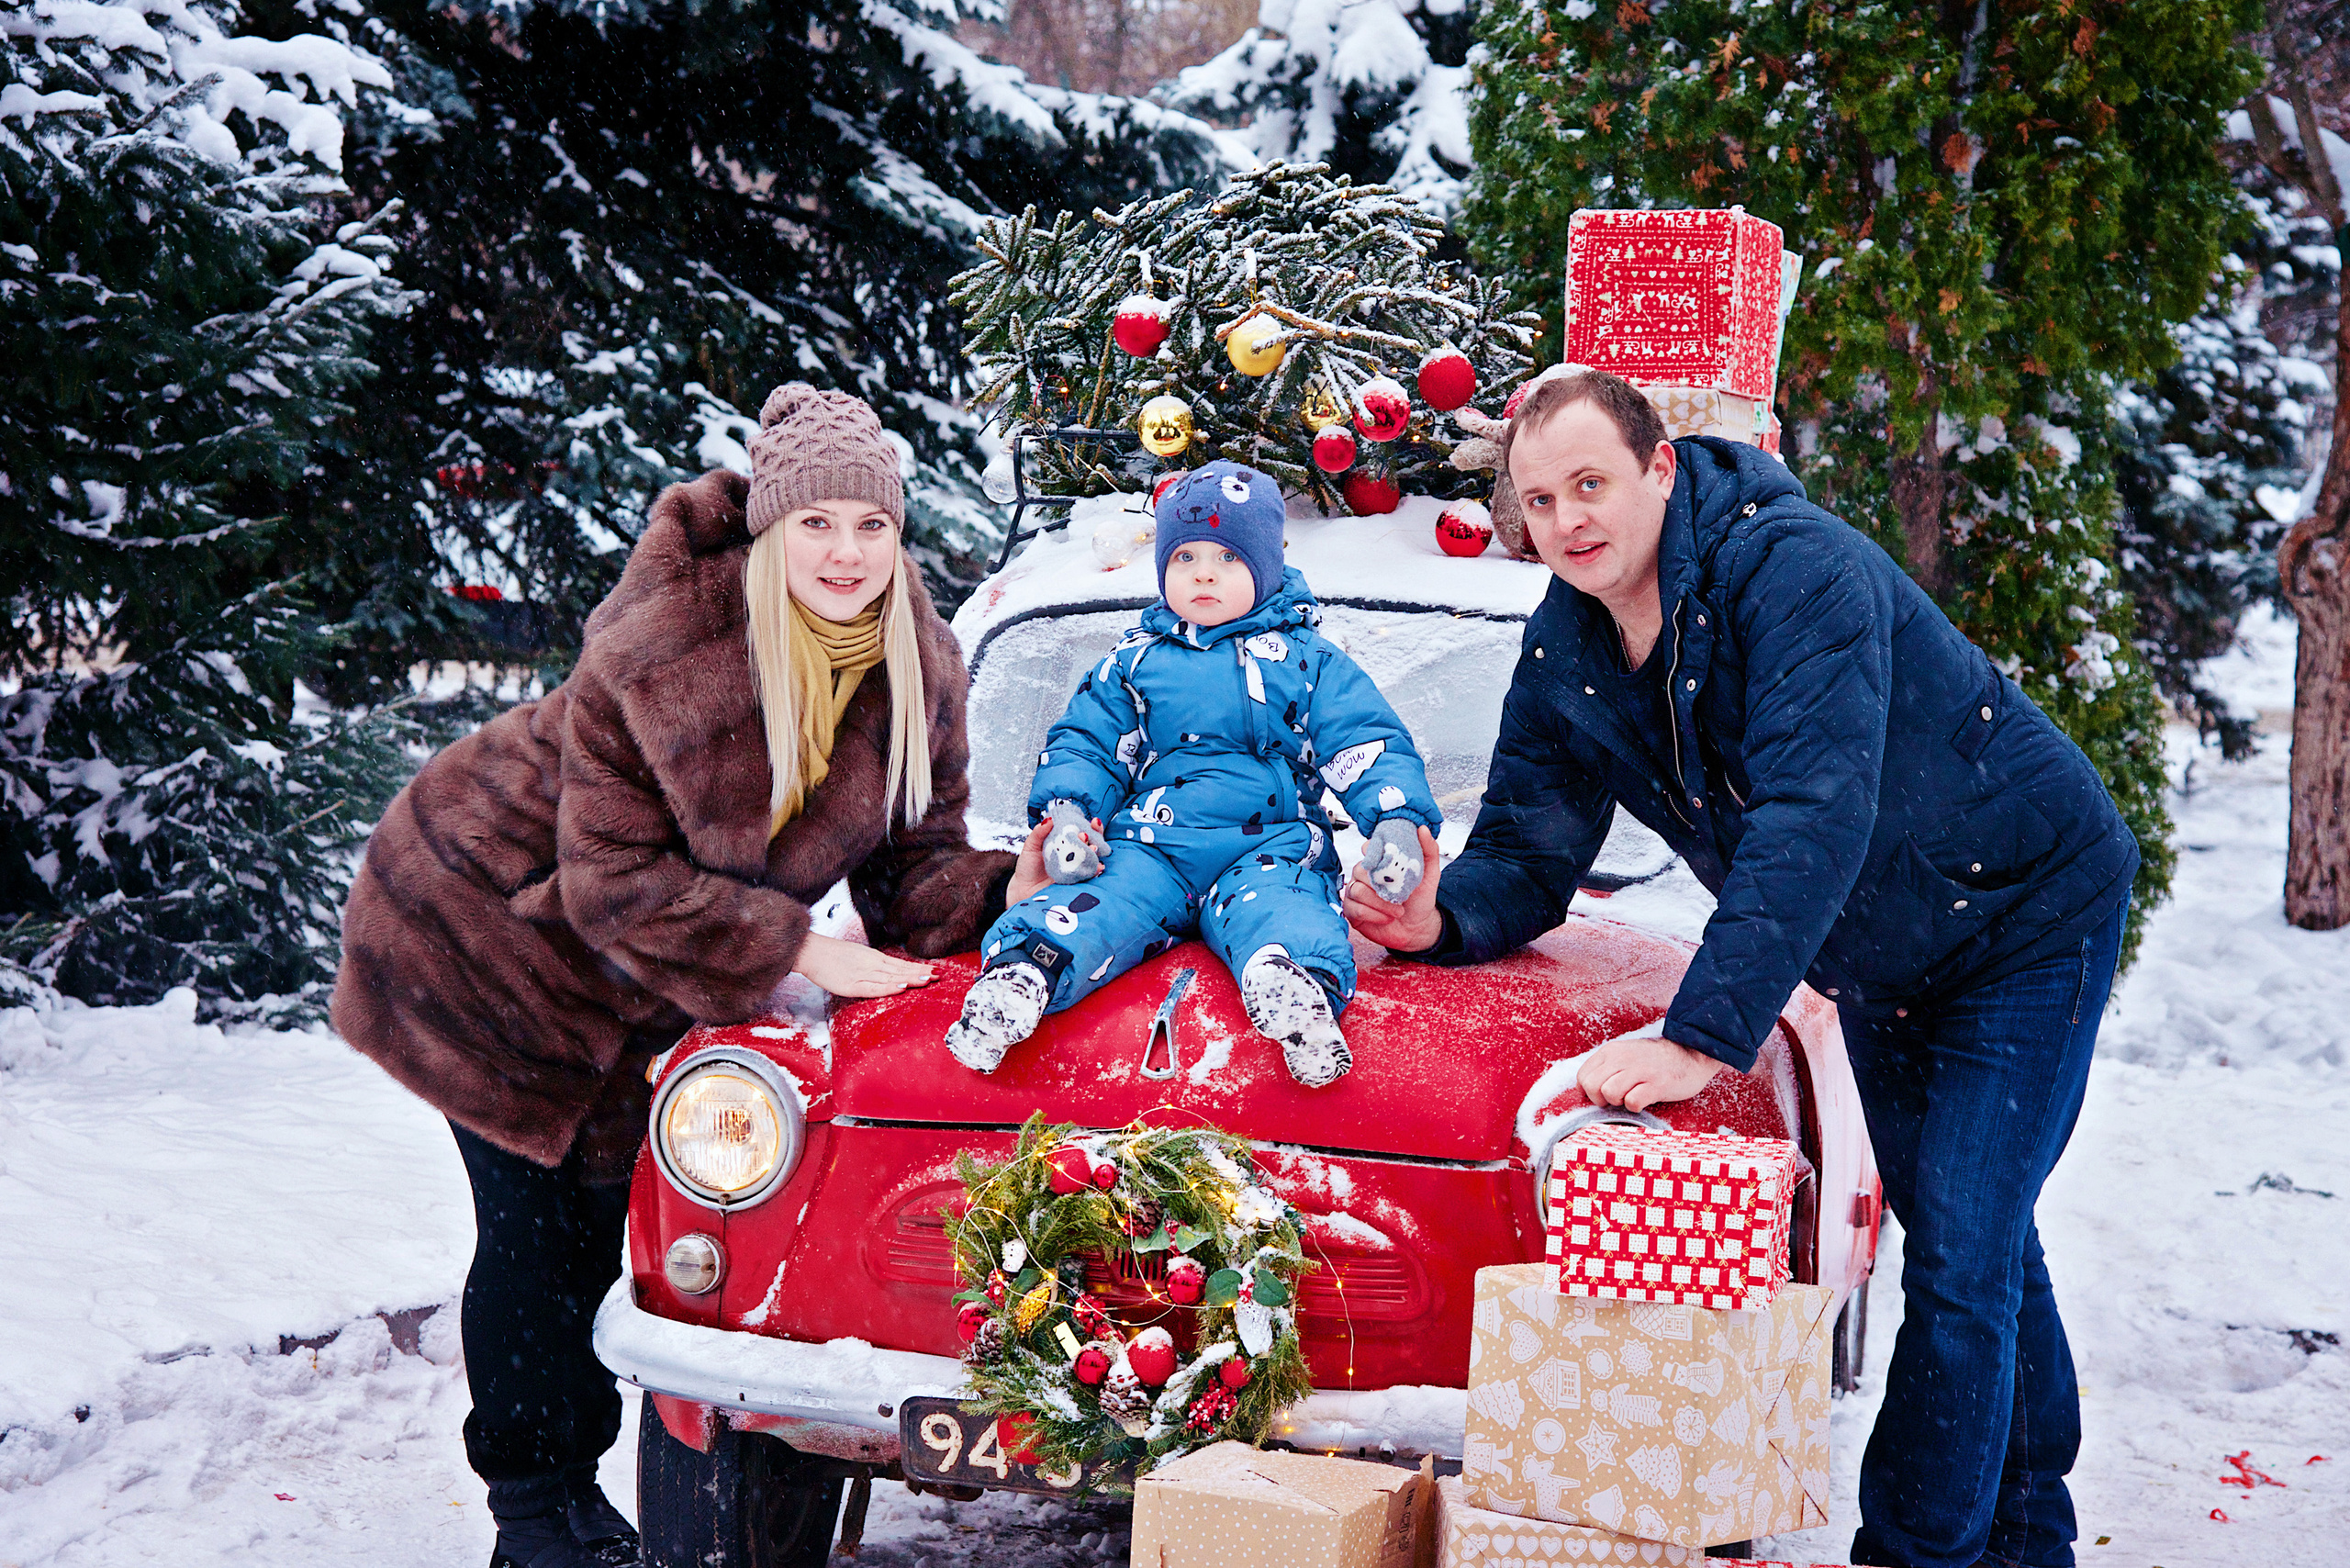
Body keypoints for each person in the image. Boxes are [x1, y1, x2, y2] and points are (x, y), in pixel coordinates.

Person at [1343, 369, 2140, 1568]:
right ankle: (2031, 1531)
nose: (1568, 520)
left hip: (2024, 912)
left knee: (1961, 1249)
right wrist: (1439, 919)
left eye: (1592, 483)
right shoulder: (1571, 644)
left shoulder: (1792, 570)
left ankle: (1917, 1553)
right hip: (1882, 951)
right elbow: (1527, 847)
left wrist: (1698, 1035)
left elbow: (1811, 812)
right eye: (1542, 499)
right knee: (1972, 1232)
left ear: (1661, 468)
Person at [332, 385, 1052, 1568]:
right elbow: (612, 879)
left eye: (870, 525)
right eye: (815, 523)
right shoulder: (667, 644)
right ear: (770, 529)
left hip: (631, 966)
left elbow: (911, 866)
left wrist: (1004, 886)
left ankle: (565, 1504)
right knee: (537, 1236)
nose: (845, 551)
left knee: (596, 1229)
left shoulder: (915, 665)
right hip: (482, 924)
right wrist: (794, 945)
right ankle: (534, 1515)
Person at [946, 459, 1442, 1087]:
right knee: (1094, 904)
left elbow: (1365, 740)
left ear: (1267, 568)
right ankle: (1022, 978)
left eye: (1228, 558)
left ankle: (1294, 989)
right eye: (1185, 557)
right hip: (1151, 847)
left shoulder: (1310, 662)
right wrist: (1070, 812)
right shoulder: (1131, 664)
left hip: (1268, 848)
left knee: (1286, 908)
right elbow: (1088, 743)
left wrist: (1395, 819)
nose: (1204, 572)